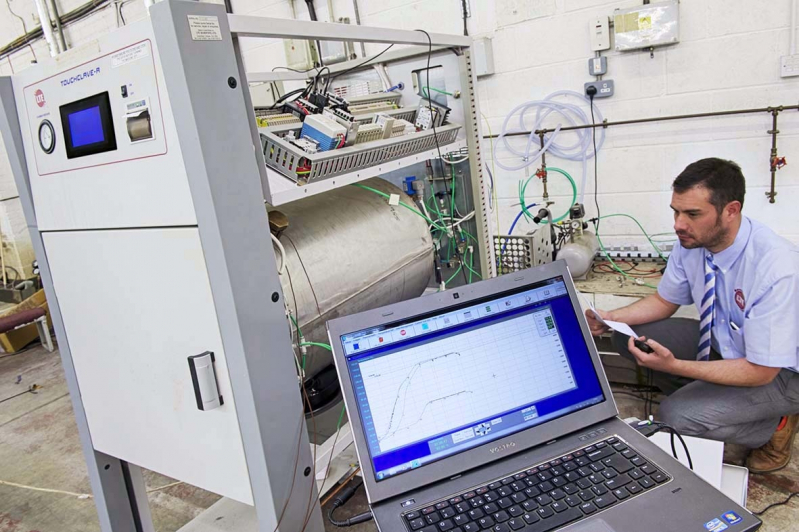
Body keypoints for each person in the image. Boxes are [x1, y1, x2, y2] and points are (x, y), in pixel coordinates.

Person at [586, 158, 799, 473]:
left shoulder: (776, 268)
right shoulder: (691, 244)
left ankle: (774, 425)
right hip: (725, 345)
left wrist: (675, 366)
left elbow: (761, 371)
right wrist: (609, 317)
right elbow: (664, 300)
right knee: (628, 336)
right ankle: (712, 405)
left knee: (675, 417)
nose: (679, 224)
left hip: (780, 371)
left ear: (731, 210)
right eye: (676, 211)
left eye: (692, 214)